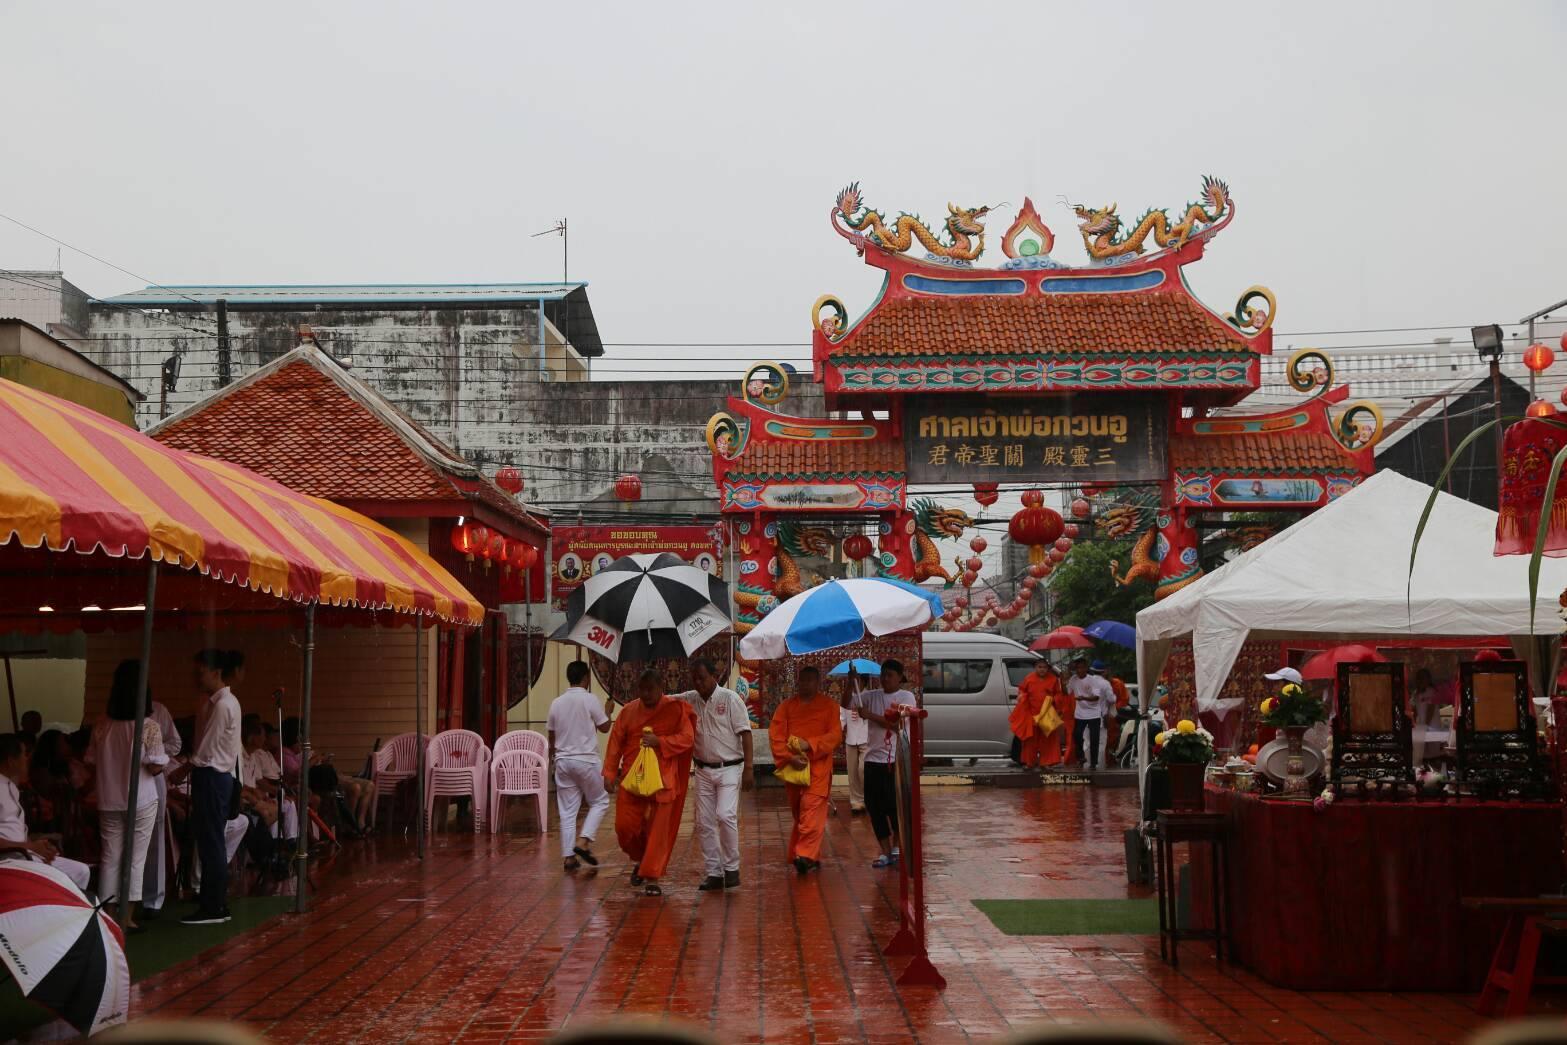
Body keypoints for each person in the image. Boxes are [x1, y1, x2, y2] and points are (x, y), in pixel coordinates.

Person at [87, 660, 169, 928]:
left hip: (108, 798)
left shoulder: (101, 724)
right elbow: (155, 766)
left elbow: (91, 760)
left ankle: (108, 913)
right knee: (135, 859)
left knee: (110, 858)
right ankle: (127, 916)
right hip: (141, 798)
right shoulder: (149, 726)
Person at [603, 670, 694, 896]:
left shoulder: (675, 709)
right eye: (642, 689)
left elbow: (687, 738)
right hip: (632, 779)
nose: (646, 694)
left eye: (650, 689)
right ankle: (641, 859)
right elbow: (615, 743)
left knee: (657, 831)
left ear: (661, 687)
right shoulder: (628, 711)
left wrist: (659, 742)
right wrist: (609, 773)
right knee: (624, 828)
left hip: (663, 779)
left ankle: (652, 876)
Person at [671, 658, 754, 891]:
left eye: (703, 678)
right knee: (704, 822)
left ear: (714, 676)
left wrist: (749, 768)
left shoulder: (730, 699)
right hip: (703, 770)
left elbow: (746, 733)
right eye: (695, 679)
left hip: (730, 767)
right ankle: (714, 872)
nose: (699, 683)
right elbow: (665, 700)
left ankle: (732, 868)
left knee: (725, 815)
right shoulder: (690, 699)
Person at [184, 648, 241, 925]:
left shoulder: (223, 704)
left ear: (216, 672)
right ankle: (213, 901)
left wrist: (182, 770)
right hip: (215, 776)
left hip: (212, 776)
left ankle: (213, 906)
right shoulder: (217, 702)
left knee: (211, 841)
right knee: (210, 840)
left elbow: (205, 750)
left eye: (201, 672)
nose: (197, 677)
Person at [771, 665, 843, 874]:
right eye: (802, 680)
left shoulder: (830, 706)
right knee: (800, 813)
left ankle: (804, 855)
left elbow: (835, 736)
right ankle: (811, 854)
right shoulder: (786, 707)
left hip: (818, 767)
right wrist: (789, 757)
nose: (805, 684)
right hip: (794, 768)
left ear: (817, 682)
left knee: (811, 808)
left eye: (810, 680)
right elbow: (776, 737)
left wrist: (809, 744)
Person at [0, 734, 92, 891]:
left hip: (23, 854)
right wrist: (30, 846)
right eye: (24, 754)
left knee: (81, 871)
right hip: (9, 859)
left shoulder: (11, 787)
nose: (28, 759)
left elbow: (13, 831)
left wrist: (40, 846)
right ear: (11, 761)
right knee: (62, 878)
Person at [547, 661, 612, 872]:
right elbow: (604, 727)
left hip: (563, 761)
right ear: (586, 678)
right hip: (586, 760)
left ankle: (569, 857)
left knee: (567, 811)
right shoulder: (590, 699)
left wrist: (553, 759)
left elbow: (551, 735)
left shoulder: (556, 702)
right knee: (600, 800)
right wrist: (608, 711)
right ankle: (584, 841)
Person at [852, 660, 910, 868]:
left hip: (894, 760)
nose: (885, 679)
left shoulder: (906, 697)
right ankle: (885, 851)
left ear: (899, 677)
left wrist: (870, 716)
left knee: (894, 807)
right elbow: (846, 703)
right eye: (883, 675)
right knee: (874, 807)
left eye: (890, 675)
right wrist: (851, 683)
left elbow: (896, 725)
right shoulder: (871, 696)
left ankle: (896, 847)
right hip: (872, 760)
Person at [239, 715, 297, 842]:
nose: (264, 739)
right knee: (272, 809)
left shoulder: (253, 755)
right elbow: (249, 785)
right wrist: (269, 794)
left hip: (256, 796)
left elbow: (259, 779)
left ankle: (289, 841)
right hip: (245, 800)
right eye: (262, 735)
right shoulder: (239, 755)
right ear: (251, 737)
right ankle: (271, 843)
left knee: (285, 804)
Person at [1010, 659, 1070, 770]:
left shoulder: (1053, 679)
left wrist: (1053, 699)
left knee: (1047, 739)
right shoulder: (1029, 678)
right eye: (1040, 667)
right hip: (1031, 714)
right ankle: (1029, 763)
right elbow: (1022, 690)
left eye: (1044, 667)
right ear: (1035, 668)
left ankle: (1046, 763)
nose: (1042, 669)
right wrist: (1022, 696)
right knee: (1030, 740)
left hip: (1047, 714)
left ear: (1048, 668)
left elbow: (1058, 694)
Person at [1065, 656, 1115, 770]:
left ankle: (1093, 763)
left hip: (1094, 714)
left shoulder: (1093, 680)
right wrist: (1063, 681)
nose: (1080, 670)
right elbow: (1066, 692)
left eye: (1082, 667)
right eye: (1078, 668)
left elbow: (1096, 697)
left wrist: (1083, 698)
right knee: (1077, 735)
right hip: (1079, 714)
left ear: (1087, 668)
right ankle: (1081, 758)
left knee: (1094, 739)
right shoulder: (1073, 679)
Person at [839, 669, 869, 814]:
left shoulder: (870, 696)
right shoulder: (847, 697)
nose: (854, 683)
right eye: (852, 680)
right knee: (852, 772)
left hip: (866, 739)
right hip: (851, 739)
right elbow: (842, 717)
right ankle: (857, 802)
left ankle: (868, 797)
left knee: (863, 769)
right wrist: (838, 732)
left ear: (864, 681)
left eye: (857, 680)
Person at [1096, 661, 1132, 755]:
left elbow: (1124, 699)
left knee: (1112, 740)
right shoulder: (1094, 683)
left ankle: (1110, 758)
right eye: (1103, 671)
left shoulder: (1118, 683)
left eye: (1106, 670)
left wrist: (1113, 708)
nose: (1105, 673)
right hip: (1097, 716)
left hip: (1112, 718)